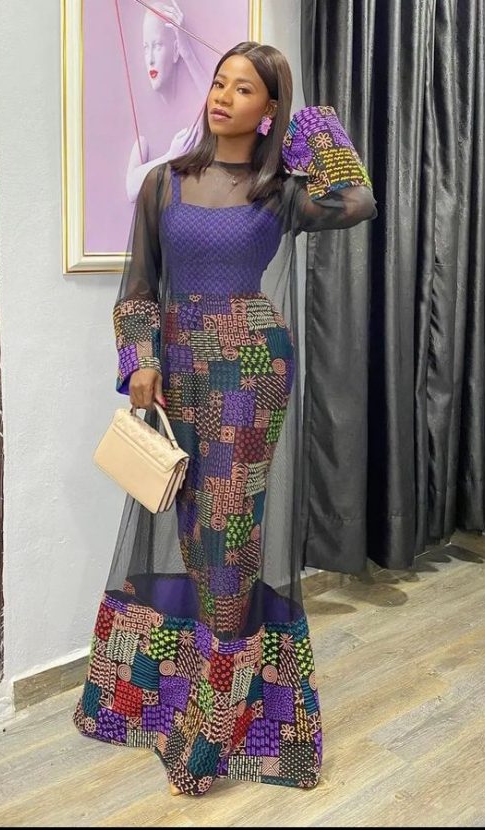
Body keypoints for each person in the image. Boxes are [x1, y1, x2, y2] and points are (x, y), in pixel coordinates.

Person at [74, 41, 377, 797]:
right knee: (191, 527)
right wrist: (139, 361)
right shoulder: (164, 184)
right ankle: (172, 697)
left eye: (244, 89)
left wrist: (313, 123)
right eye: (219, 82)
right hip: (177, 374)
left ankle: (214, 730)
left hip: (250, 373)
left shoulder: (281, 193)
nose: (222, 96)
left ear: (267, 110)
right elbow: (138, 290)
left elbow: (358, 201)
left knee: (231, 537)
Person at [125, 0, 207, 204]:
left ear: (176, 50)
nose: (150, 59)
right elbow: (132, 189)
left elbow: (214, 102)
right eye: (146, 48)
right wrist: (171, 156)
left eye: (158, 46)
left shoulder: (189, 112)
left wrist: (187, 52)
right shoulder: (142, 124)